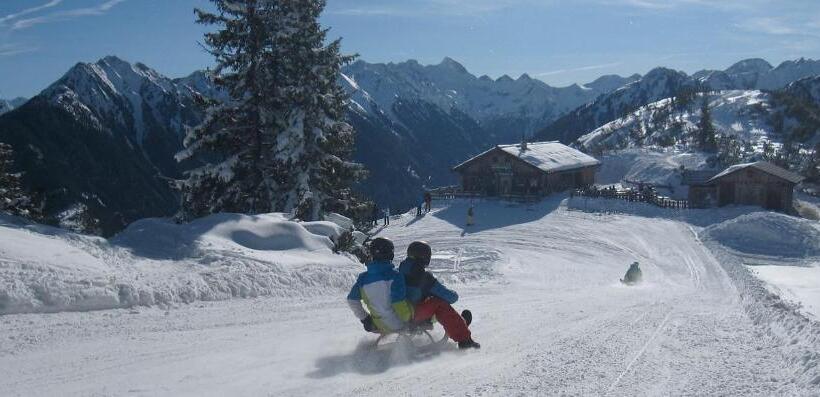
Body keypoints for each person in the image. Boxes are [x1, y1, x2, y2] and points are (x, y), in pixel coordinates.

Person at [399, 241, 480, 349]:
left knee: (433, 301)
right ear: (425, 257)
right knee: (440, 303)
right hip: (414, 315)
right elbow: (451, 298)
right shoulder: (423, 276)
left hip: (398, 312)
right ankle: (464, 339)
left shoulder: (398, 271)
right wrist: (452, 294)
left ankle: (460, 325)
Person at [347, 237, 413, 334]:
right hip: (397, 323)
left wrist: (365, 319)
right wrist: (408, 320)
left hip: (378, 324)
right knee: (416, 301)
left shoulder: (362, 279)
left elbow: (351, 300)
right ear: (390, 254)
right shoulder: (395, 276)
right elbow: (398, 302)